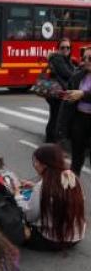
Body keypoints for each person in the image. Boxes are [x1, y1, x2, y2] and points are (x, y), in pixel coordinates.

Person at [18, 144, 85, 251]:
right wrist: (34, 187)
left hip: (52, 241)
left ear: (44, 165)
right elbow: (60, 194)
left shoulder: (43, 186)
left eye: (36, 162)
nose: (34, 165)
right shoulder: (71, 176)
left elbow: (30, 215)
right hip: (75, 237)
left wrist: (17, 196)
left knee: (15, 224)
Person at [63, 47, 91, 175]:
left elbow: (83, 94)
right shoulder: (78, 76)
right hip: (79, 120)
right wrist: (67, 96)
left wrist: (82, 94)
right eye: (84, 58)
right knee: (76, 161)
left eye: (90, 58)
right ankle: (74, 192)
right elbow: (66, 105)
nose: (86, 61)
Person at [45, 38, 76, 143]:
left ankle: (52, 140)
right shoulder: (58, 59)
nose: (65, 49)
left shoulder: (66, 59)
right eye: (62, 47)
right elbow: (68, 73)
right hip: (57, 92)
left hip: (58, 92)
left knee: (55, 116)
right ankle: (51, 141)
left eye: (68, 47)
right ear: (58, 49)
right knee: (56, 117)